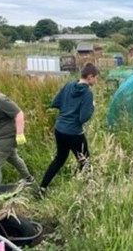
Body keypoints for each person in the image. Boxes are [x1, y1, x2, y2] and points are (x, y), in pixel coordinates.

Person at [36, 62, 98, 197]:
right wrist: (92, 106)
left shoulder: (69, 84)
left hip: (59, 129)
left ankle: (42, 188)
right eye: (95, 78)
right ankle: (89, 193)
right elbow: (83, 117)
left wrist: (67, 109)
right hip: (74, 132)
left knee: (59, 159)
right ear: (90, 77)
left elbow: (55, 102)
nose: (96, 80)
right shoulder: (87, 93)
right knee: (85, 162)